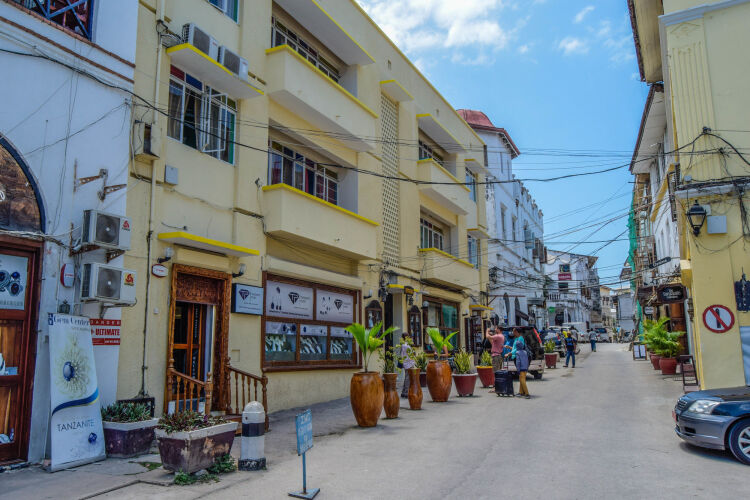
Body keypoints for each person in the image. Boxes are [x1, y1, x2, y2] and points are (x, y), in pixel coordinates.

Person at [506, 328, 530, 398]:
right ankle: (521, 392)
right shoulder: (516, 339)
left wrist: (510, 353)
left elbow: (517, 349)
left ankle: (526, 393)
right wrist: (510, 348)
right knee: (521, 377)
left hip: (519, 361)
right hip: (523, 364)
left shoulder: (520, 339)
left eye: (514, 332)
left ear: (517, 332)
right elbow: (516, 348)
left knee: (522, 378)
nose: (513, 333)